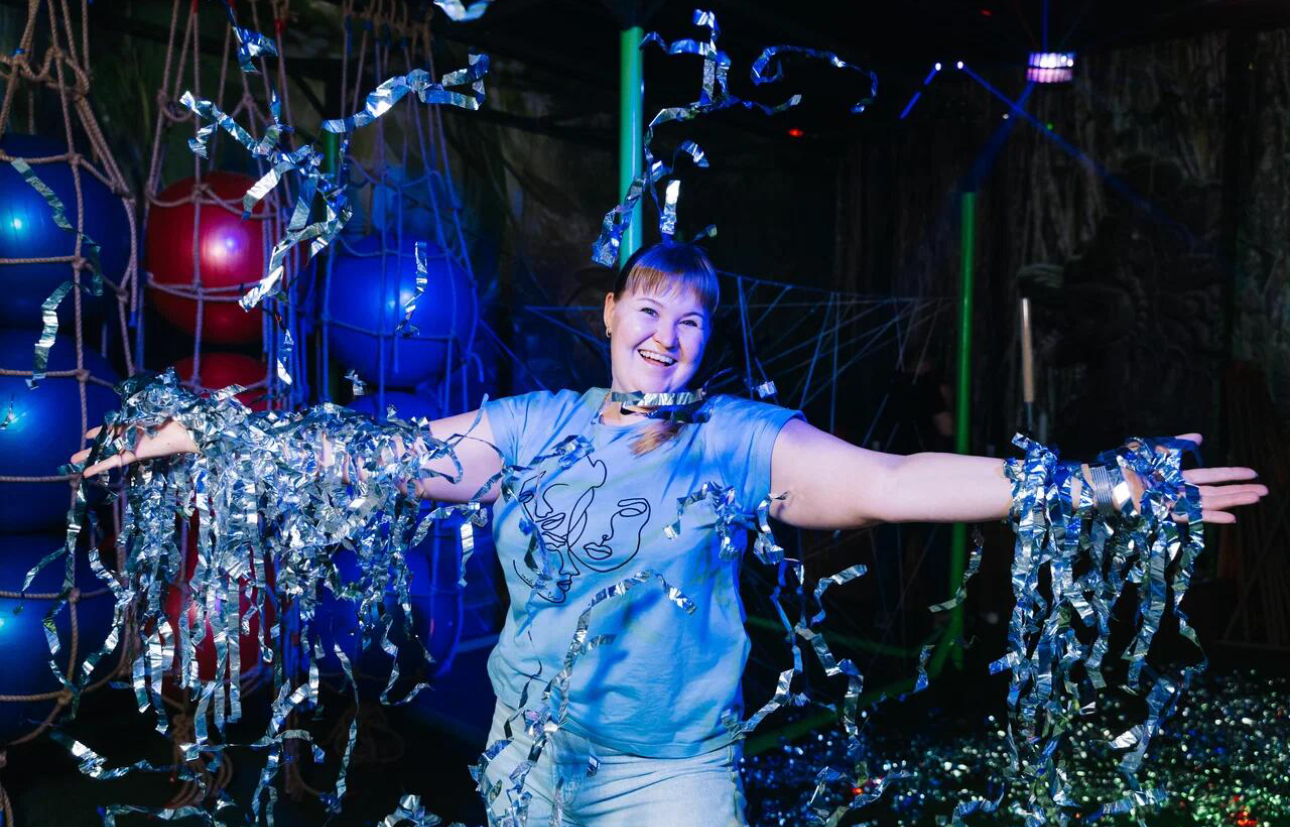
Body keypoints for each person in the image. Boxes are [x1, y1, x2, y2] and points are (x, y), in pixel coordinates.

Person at [74, 242, 1266, 827]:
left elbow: (897, 481)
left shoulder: (739, 443)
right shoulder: (532, 426)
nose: (667, 335)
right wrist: (208, 437)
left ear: (706, 340)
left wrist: (1095, 489)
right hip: (530, 760)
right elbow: (373, 456)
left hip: (672, 776)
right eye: (650, 309)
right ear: (611, 313)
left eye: (692, 322)